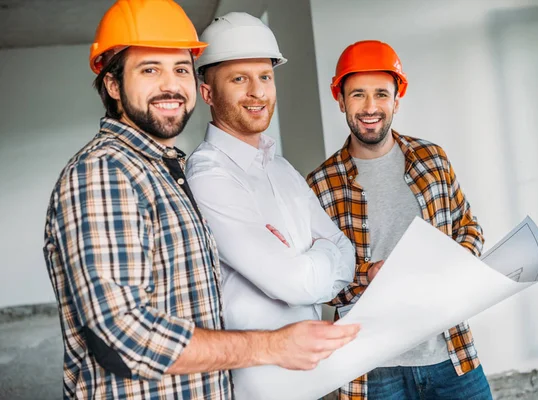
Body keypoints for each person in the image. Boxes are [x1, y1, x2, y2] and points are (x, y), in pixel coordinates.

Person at [43, 2, 359, 399]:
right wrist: (272, 344)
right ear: (112, 84)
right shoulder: (104, 172)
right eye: (149, 69)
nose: (170, 85)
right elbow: (122, 334)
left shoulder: (162, 171)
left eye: (179, 69)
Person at [306, 40, 493, 400]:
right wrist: (368, 275)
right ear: (341, 100)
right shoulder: (319, 185)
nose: (370, 107)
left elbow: (469, 228)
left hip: (449, 354)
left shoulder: (432, 160)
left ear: (396, 99)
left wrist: (453, 262)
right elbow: (318, 280)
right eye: (358, 94)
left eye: (381, 94)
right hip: (372, 370)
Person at [184, 12, 357, 397]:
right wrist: (320, 256)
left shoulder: (281, 169)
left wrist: (314, 261)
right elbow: (295, 282)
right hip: (259, 386)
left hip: (312, 379)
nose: (258, 92)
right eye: (239, 79)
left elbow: (348, 253)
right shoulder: (208, 176)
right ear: (208, 93)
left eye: (265, 76)